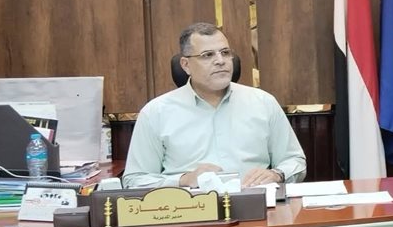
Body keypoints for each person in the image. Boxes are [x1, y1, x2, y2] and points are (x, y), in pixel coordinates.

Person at [123, 22, 306, 188]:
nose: (220, 61)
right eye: (207, 55)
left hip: (255, 202)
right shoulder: (156, 112)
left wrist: (277, 174)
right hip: (190, 207)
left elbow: (294, 160)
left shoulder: (263, 102)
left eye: (225, 53)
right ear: (186, 65)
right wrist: (183, 180)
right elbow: (135, 180)